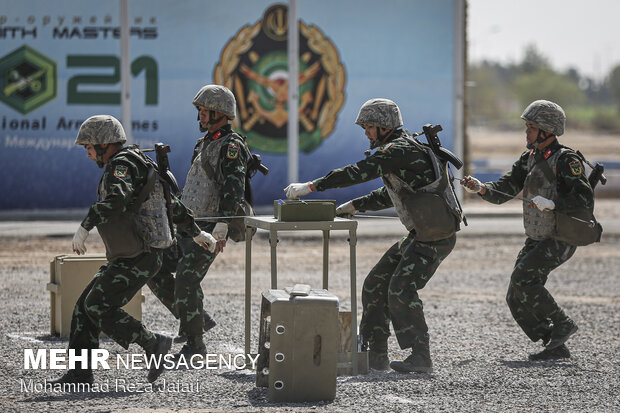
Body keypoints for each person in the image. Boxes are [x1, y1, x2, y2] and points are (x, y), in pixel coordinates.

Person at [284, 98, 464, 373]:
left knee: (401, 289)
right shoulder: (401, 150)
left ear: (383, 127)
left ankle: (420, 357)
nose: (366, 133)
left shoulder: (398, 150)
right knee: (374, 285)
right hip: (421, 234)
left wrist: (312, 186)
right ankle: (375, 353)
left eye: (368, 127)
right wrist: (356, 205)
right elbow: (395, 192)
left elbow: (358, 172)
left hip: (434, 237)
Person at [50, 115, 216, 386]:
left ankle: (153, 344)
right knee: (83, 307)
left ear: (104, 144)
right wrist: (196, 232)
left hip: (139, 256)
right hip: (137, 254)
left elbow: (117, 200)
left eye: (89, 148)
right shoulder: (139, 162)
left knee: (96, 306)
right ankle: (81, 373)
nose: (88, 154)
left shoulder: (122, 165)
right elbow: (170, 203)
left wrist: (85, 226)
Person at [461, 100, 595, 360]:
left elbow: (584, 200)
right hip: (537, 236)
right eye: (527, 126)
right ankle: (553, 343)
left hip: (561, 236)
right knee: (514, 294)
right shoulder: (530, 157)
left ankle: (563, 324)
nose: (527, 132)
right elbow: (506, 188)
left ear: (548, 130)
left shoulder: (567, 160)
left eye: (532, 127)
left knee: (525, 278)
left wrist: (554, 203)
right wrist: (481, 188)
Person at [152, 84, 251, 358]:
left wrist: (223, 227)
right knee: (153, 266)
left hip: (210, 225)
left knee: (186, 278)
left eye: (204, 111)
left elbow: (233, 189)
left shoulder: (231, 146)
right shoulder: (205, 142)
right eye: (199, 111)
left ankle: (196, 346)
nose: (200, 117)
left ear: (219, 112)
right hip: (189, 225)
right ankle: (196, 318)